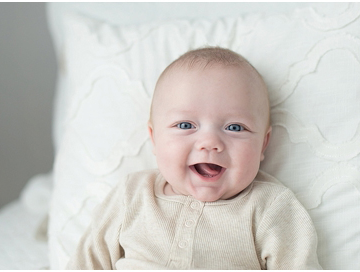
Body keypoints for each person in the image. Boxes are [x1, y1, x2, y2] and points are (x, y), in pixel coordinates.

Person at [69, 47, 321, 269]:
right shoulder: (133, 195)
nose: (209, 142)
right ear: (154, 138)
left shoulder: (271, 206)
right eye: (186, 124)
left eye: (235, 127)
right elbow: (88, 262)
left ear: (263, 143)